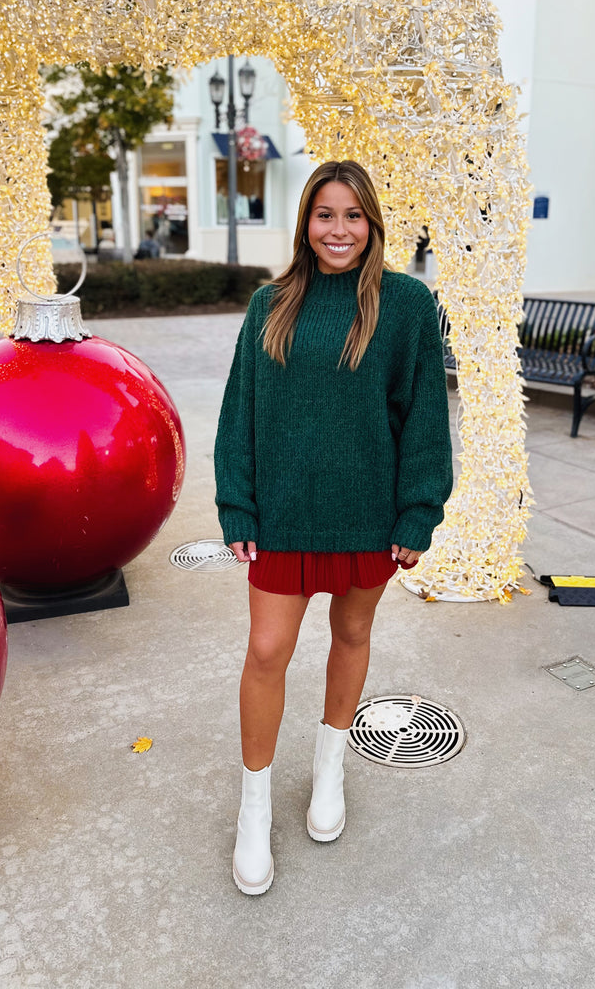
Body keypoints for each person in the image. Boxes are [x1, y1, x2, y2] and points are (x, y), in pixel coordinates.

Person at [214, 159, 453, 895]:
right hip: (284, 513)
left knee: (350, 637)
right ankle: (255, 810)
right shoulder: (272, 304)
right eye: (325, 215)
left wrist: (420, 508)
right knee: (267, 650)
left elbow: (424, 418)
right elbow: (240, 411)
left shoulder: (406, 305)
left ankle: (328, 774)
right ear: (306, 224)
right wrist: (237, 502)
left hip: (367, 514)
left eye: (353, 216)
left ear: (372, 224)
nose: (339, 230)